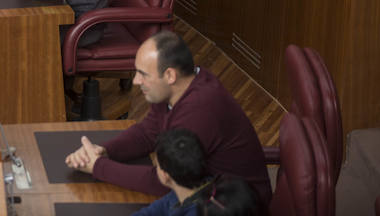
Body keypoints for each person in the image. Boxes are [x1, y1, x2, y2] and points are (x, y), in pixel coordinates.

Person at [64, 31, 271, 206]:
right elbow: (148, 133)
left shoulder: (200, 109)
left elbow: (165, 181)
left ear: (170, 75)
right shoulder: (178, 88)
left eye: (142, 74)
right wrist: (105, 151)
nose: (136, 81)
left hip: (232, 207)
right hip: (202, 194)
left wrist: (99, 166)